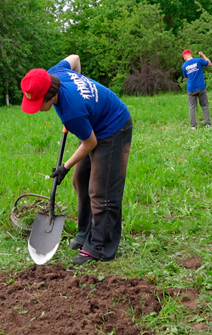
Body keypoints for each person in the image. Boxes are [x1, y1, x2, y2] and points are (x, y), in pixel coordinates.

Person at [20, 55, 132, 265]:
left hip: (115, 127)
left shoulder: (72, 112)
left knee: (102, 191)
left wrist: (64, 167)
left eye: (36, 102)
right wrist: (83, 91)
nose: (35, 107)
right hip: (96, 124)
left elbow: (90, 143)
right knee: (80, 179)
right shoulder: (55, 73)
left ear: (50, 95)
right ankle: (85, 232)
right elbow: (75, 58)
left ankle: (99, 247)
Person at [181, 50, 212, 129]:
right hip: (201, 87)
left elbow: (186, 77)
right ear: (190, 54)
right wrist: (203, 55)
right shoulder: (198, 60)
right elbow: (209, 63)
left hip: (191, 89)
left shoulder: (184, 66)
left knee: (192, 107)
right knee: (205, 106)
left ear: (185, 57)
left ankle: (193, 126)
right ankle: (208, 124)